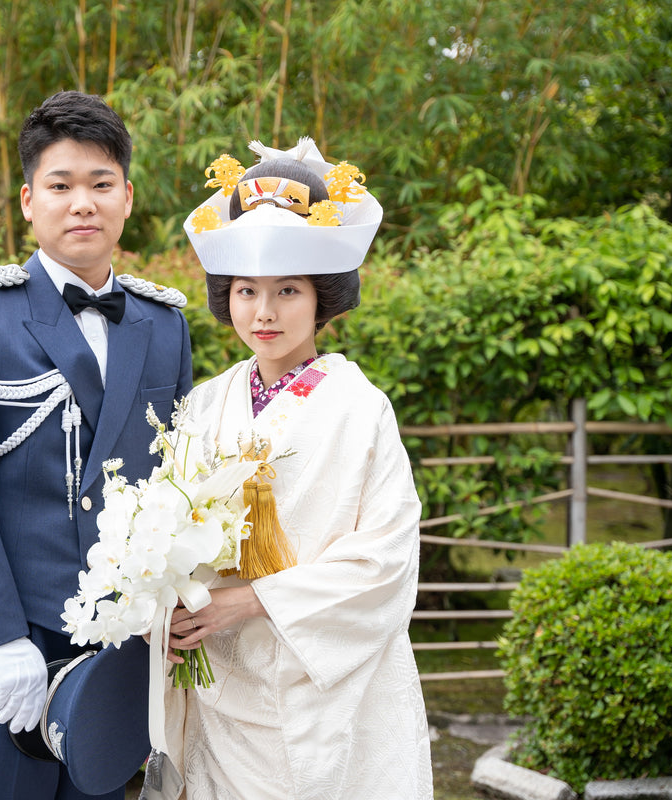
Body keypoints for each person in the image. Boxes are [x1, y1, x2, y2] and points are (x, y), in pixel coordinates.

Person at [0, 90, 194, 800]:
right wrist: (0, 638)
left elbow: (175, 478)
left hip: (116, 643)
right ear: (28, 200)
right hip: (5, 640)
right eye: (61, 186)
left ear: (128, 197)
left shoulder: (164, 325)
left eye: (101, 184)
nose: (82, 203)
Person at [144, 139, 432, 799]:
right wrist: (169, 612)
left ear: (323, 297)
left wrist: (248, 601)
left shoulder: (360, 408)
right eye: (246, 291)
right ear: (227, 295)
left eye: (287, 291)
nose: (264, 312)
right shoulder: (209, 401)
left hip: (329, 683)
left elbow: (386, 558)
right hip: (222, 682)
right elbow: (164, 525)